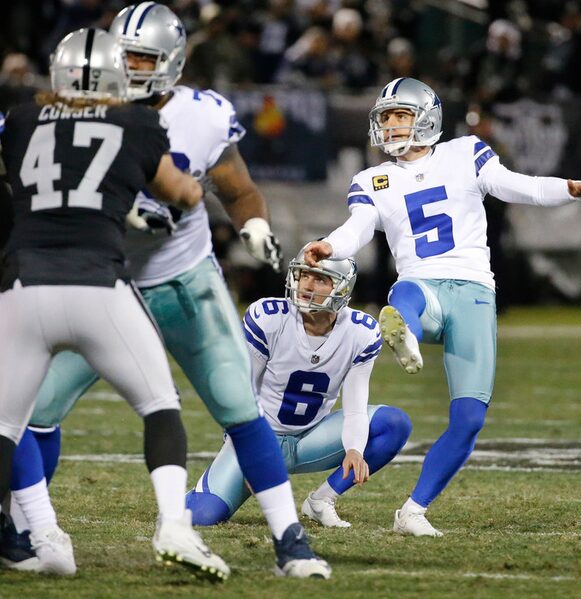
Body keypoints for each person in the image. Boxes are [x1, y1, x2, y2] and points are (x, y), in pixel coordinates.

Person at [2, 3, 330, 580]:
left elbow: (236, 188)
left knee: (239, 407)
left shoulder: (199, 116)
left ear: (172, 62)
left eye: (141, 58)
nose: (128, 69)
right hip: (100, 281)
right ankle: (33, 528)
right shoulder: (83, 114)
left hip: (181, 280)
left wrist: (254, 224)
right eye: (122, 56)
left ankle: (290, 540)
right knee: (38, 413)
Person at [304, 76, 581, 536]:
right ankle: (401, 329)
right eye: (386, 118)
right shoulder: (372, 179)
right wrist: (329, 245)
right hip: (422, 286)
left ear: (426, 117)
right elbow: (358, 227)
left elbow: (513, 185)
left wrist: (566, 187)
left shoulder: (465, 151)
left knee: (469, 419)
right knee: (402, 297)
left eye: (401, 116)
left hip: (474, 293)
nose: (392, 126)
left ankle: (412, 510)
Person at [0, 28, 228, 580]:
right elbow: (181, 191)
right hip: (98, 284)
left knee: (6, 426)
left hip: (24, 287)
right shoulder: (137, 122)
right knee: (160, 406)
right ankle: (175, 524)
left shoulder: (22, 120)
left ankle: (36, 534)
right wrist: (160, 198)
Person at [186, 248, 412, 528]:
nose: (307, 284)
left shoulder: (361, 331)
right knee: (201, 516)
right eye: (304, 274)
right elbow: (243, 393)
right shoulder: (269, 317)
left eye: (320, 278)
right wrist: (252, 451)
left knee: (393, 423)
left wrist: (354, 449)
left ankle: (321, 500)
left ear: (342, 286)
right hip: (260, 437)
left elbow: (355, 408)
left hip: (311, 439)